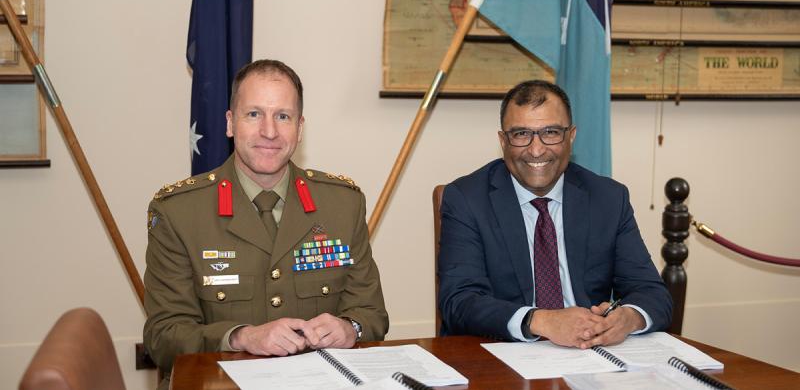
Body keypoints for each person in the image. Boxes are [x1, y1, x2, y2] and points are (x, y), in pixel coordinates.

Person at [144, 59, 389, 377]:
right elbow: (163, 337)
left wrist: (349, 328)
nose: (269, 132)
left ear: (299, 128)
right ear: (231, 123)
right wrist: (241, 337)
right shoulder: (178, 212)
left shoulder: (342, 204)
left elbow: (372, 315)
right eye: (254, 114)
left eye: (283, 116)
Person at [438, 80, 671, 349]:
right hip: (503, 356)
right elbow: (458, 302)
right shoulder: (467, 199)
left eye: (550, 132)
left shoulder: (608, 198)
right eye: (521, 134)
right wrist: (542, 321)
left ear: (571, 136)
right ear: (503, 141)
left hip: (589, 355)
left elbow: (653, 293)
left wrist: (628, 319)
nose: (536, 149)